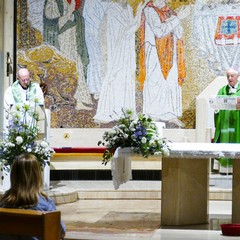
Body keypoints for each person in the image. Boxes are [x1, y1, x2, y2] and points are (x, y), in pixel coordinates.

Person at [94, 0, 145, 123]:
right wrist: (139, 12)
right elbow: (127, 32)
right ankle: (113, 110)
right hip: (117, 52)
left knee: (126, 79)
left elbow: (132, 27)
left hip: (126, 52)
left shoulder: (127, 8)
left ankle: (125, 110)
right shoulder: (113, 10)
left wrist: (137, 14)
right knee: (117, 79)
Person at [139, 0, 189, 125]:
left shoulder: (168, 11)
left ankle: (170, 113)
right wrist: (177, 19)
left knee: (171, 81)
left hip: (171, 52)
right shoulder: (149, 10)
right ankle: (153, 114)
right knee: (156, 82)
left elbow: (179, 33)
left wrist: (175, 19)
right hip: (155, 53)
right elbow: (159, 32)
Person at [0, 153, 66, 240]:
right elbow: (60, 231)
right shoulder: (45, 204)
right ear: (37, 175)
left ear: (14, 175)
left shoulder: (4, 203)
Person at [213, 67, 240, 174]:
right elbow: (217, 106)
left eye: (232, 76)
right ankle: (225, 169)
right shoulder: (222, 90)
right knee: (225, 144)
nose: (229, 78)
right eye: (228, 76)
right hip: (225, 125)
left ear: (238, 77)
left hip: (238, 124)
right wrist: (215, 108)